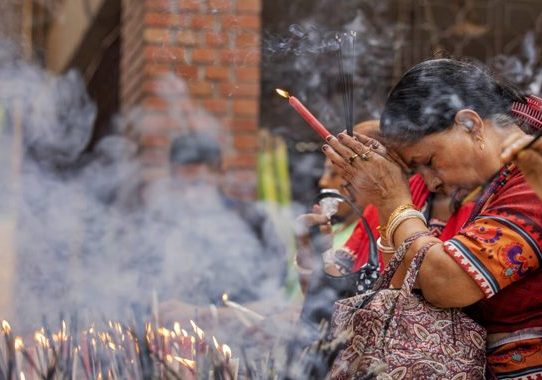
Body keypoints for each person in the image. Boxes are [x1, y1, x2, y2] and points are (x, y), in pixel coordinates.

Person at [323, 58, 542, 379]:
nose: (430, 182)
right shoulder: (488, 182)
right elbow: (410, 282)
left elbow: (447, 282)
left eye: (429, 161)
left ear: (470, 124)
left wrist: (393, 198)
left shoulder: (533, 171)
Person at [156, 131, 288, 325]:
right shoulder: (160, 225)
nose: (189, 194)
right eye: (180, 184)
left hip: (241, 346)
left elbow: (277, 304)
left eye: (198, 183)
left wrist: (202, 314)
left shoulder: (252, 221)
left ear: (219, 173)